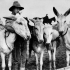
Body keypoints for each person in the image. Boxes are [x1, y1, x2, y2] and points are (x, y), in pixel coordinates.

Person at [4, 1, 27, 70]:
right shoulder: (9, 18)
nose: (18, 10)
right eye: (16, 8)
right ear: (12, 9)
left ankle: (22, 68)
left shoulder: (21, 18)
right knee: (16, 57)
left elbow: (25, 26)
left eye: (19, 9)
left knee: (24, 54)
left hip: (24, 39)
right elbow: (7, 26)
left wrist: (26, 34)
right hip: (15, 39)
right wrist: (17, 30)